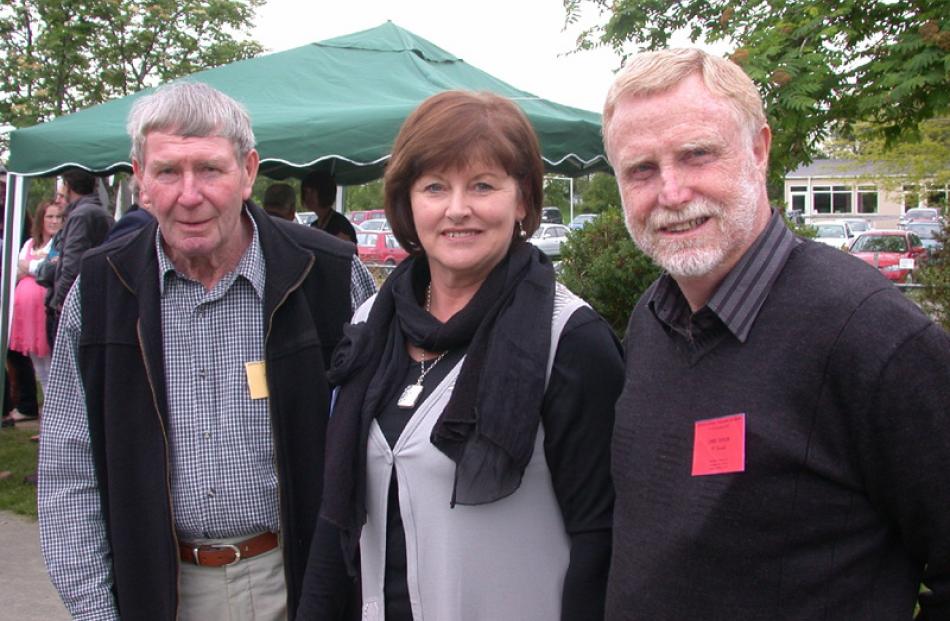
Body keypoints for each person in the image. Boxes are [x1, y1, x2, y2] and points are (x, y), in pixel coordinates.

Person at [601, 48, 950, 619]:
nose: (671, 193)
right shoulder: (651, 320)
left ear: (758, 150)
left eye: (697, 155)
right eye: (642, 169)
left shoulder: (869, 333)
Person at [38, 81, 376, 620]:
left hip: (302, 584)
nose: (188, 194)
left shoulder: (329, 277)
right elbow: (67, 471)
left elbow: (379, 455)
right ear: (141, 180)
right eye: (168, 171)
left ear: (247, 171)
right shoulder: (102, 289)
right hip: (157, 588)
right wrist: (96, 611)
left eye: (210, 169)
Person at [298, 91, 622, 621]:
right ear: (407, 203)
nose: (457, 209)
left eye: (483, 185)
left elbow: (601, 543)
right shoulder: (370, 325)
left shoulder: (571, 340)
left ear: (522, 200)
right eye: (434, 187)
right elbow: (336, 522)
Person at [45, 168, 113, 345]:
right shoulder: (99, 212)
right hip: (91, 302)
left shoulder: (81, 215)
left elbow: (73, 265)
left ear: (68, 187)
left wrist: (59, 302)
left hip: (76, 306)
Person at [10, 199, 64, 396]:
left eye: (58, 217)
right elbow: (16, 271)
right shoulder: (29, 244)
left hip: (45, 310)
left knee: (51, 364)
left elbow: (49, 269)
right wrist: (35, 266)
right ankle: (48, 406)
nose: (54, 221)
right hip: (26, 315)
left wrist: (30, 267)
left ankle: (55, 408)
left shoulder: (61, 243)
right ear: (41, 219)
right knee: (38, 366)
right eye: (50, 216)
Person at [303, 171, 357, 242]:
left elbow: (346, 251)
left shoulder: (340, 225)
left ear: (324, 193)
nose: (307, 197)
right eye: (306, 192)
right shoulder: (315, 225)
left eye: (312, 191)